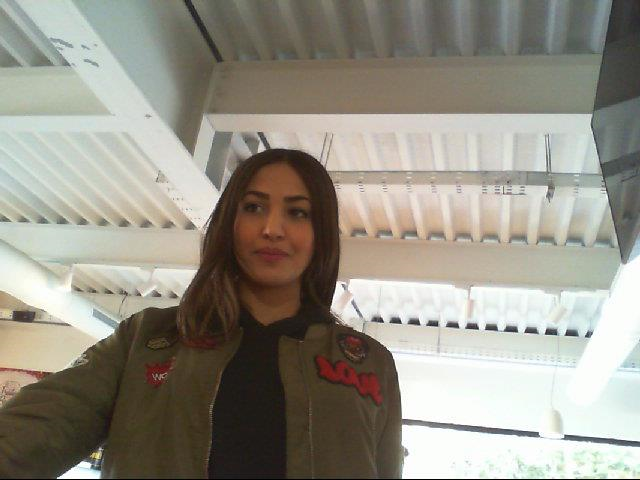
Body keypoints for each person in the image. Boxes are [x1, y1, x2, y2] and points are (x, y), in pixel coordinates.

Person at [0, 149, 403, 478]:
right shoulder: (145, 339)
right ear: (230, 223)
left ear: (321, 234)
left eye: (298, 212)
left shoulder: (371, 364)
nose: (272, 228)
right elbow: (31, 434)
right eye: (253, 207)